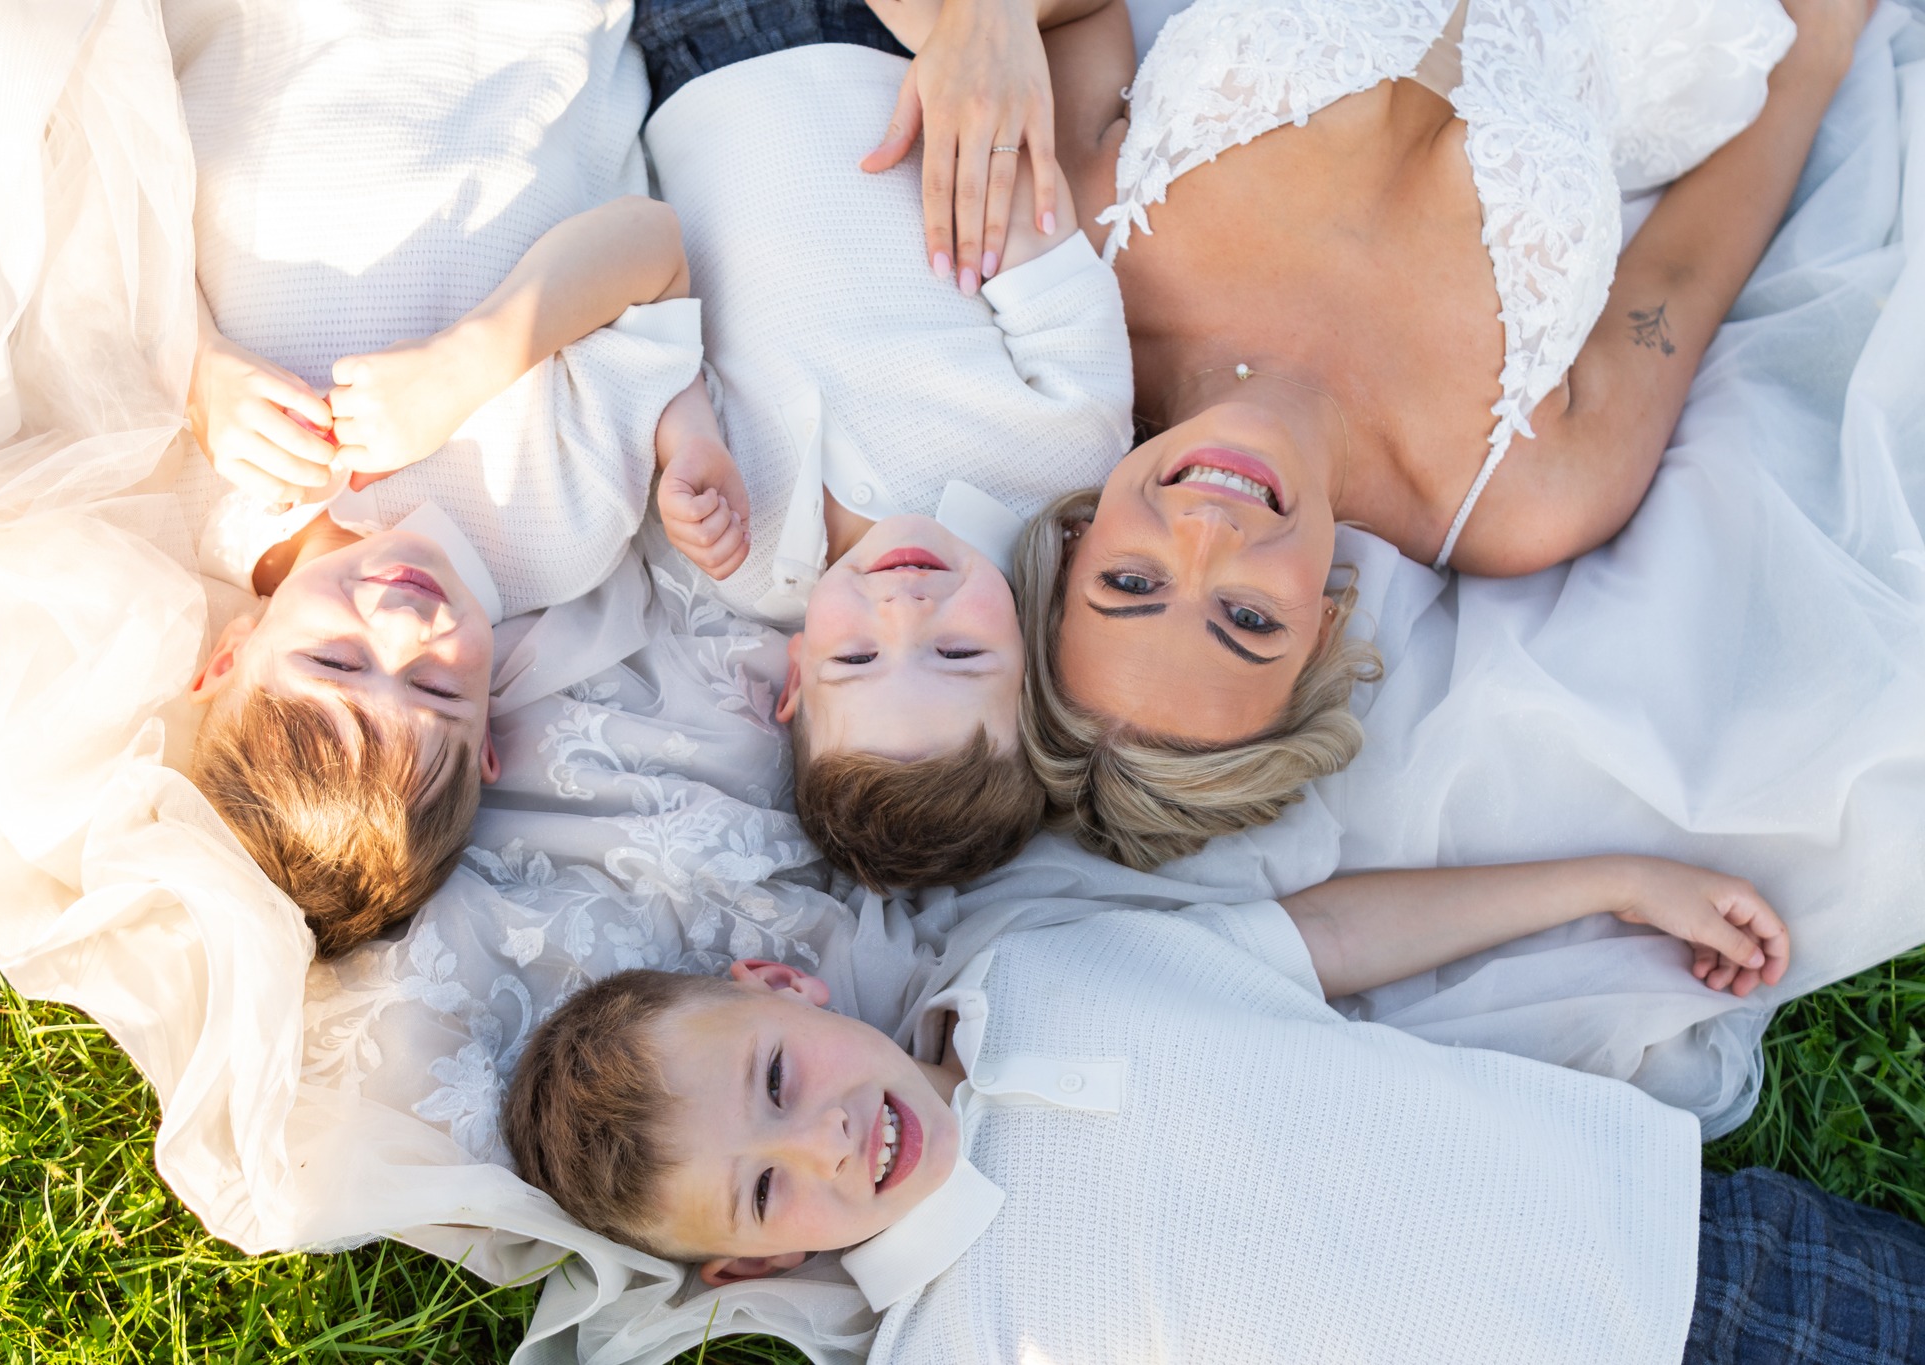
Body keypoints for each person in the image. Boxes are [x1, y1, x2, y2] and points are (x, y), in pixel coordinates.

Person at [996, 0, 1874, 867]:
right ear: (1326, 626)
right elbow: (1684, 270)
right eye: (1247, 616)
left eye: (1132, 579)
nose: (1205, 538)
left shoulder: (1088, 243)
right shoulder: (1522, 494)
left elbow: (1078, 13)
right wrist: (1828, 34)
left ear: (1078, 541)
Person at [506, 857, 1921, 1363]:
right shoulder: (954, 1346)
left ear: (779, 983)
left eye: (775, 1076)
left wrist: (1603, 881)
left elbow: (1326, 941)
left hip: (1686, 1253)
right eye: (767, 1189)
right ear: (752, 1264)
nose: (821, 1137)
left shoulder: (1035, 972)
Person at [168, 0, 723, 954]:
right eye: (434, 685)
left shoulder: (210, 495)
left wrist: (193, 368)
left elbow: (97, 276)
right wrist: (474, 360)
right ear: (491, 736)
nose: (404, 625)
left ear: (228, 658)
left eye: (335, 661)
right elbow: (654, 247)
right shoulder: (554, 531)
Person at [626, 0, 1136, 889]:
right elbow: (1028, 221)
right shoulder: (1064, 467)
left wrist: (686, 447)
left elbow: (647, 337)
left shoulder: (737, 555)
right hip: (894, 48)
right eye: (959, 654)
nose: (904, 609)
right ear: (1030, 675)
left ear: (793, 682)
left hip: (689, 75)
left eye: (856, 660)